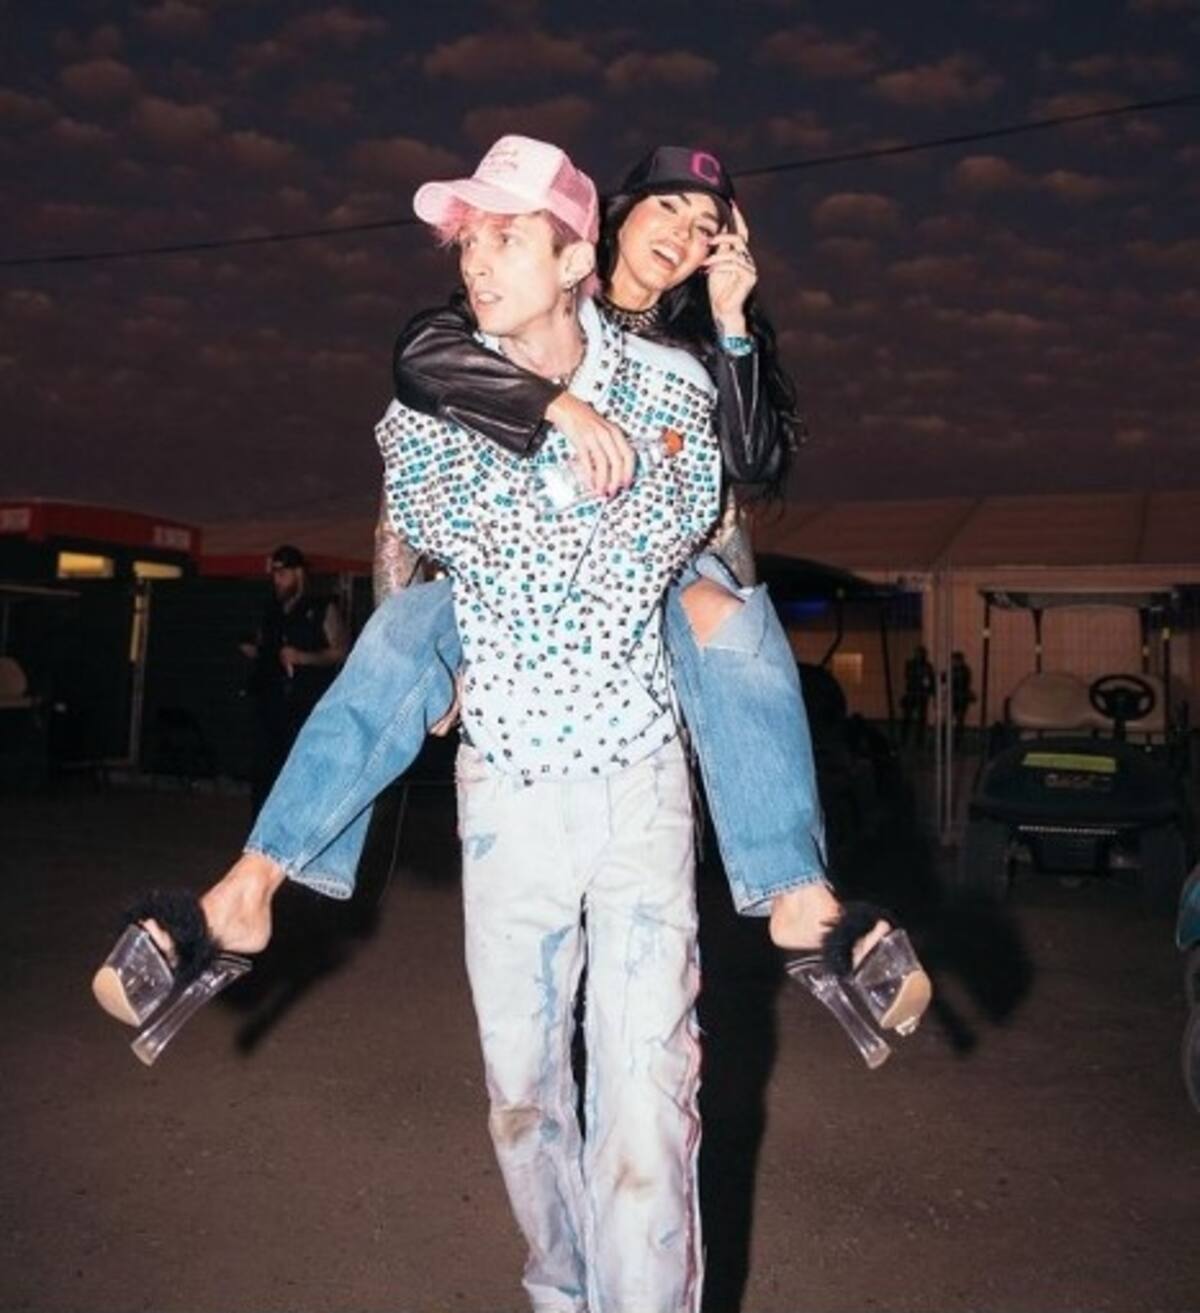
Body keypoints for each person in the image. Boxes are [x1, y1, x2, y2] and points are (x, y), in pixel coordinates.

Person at [93, 139, 929, 1070]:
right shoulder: (519, 294)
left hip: (645, 583)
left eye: (707, 230)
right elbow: (420, 361)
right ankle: (249, 886)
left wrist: (733, 324)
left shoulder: (689, 355)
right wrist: (549, 420)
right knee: (402, 633)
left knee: (737, 624)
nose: (683, 237)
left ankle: (797, 890)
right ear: (610, 221)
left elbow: (749, 468)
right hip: (509, 587)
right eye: (668, 210)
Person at [241, 545, 348, 813]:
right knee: (265, 769)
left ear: (298, 573)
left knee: (300, 768)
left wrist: (304, 657)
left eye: (282, 574)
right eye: (274, 575)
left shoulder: (322, 607)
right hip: (271, 703)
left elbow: (341, 651)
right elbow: (265, 645)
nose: (277, 580)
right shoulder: (272, 610)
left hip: (305, 703)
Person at [900, 644, 935, 748]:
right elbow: (909, 676)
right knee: (908, 717)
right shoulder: (911, 664)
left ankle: (918, 740)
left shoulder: (926, 666)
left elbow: (929, 679)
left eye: (920, 653)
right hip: (913, 692)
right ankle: (905, 738)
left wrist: (928, 688)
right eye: (917, 653)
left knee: (920, 718)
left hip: (921, 693)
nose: (918, 655)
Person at [951, 649, 974, 744]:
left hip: (960, 697)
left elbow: (963, 683)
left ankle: (957, 740)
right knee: (955, 719)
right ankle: (954, 739)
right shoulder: (954, 670)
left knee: (959, 719)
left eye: (954, 660)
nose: (953, 662)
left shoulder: (963, 671)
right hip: (955, 697)